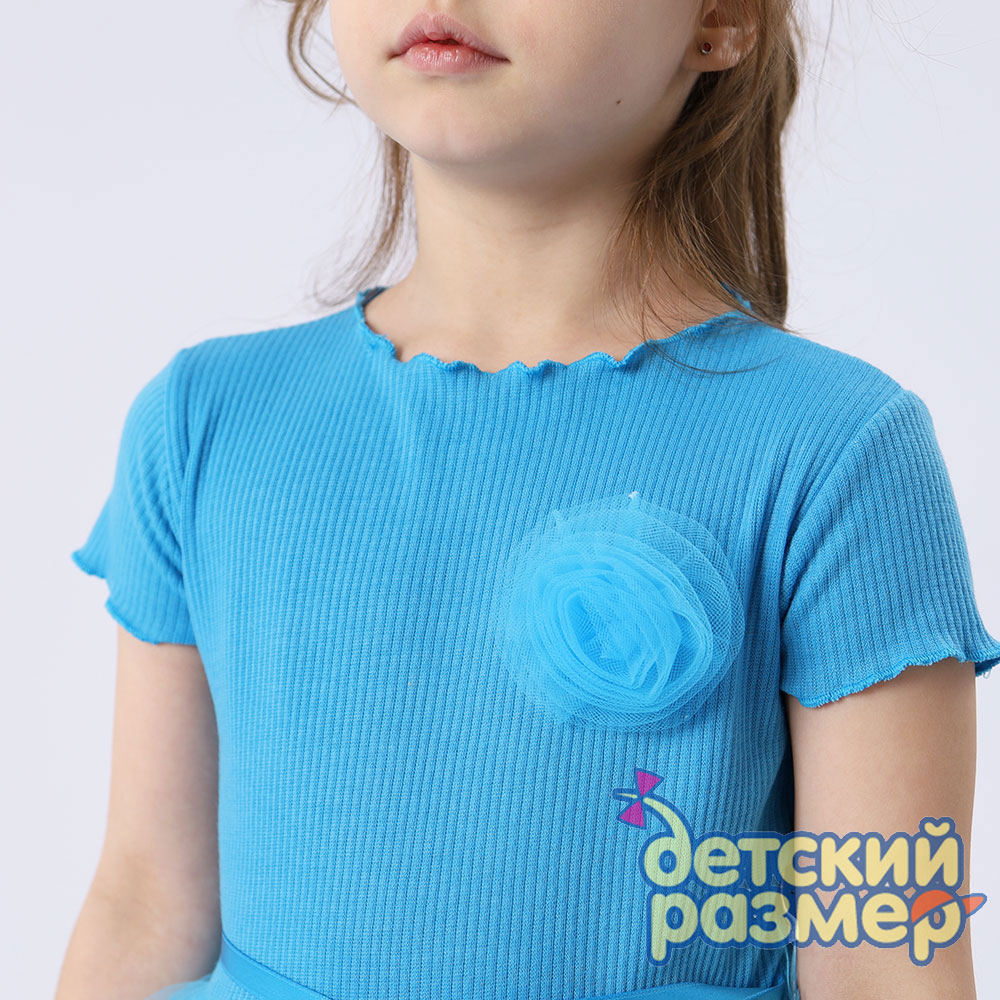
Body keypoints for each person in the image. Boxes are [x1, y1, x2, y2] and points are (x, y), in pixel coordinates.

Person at [57, 2, 999, 999]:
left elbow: (885, 968)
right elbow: (144, 901)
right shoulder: (206, 421)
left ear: (718, 20)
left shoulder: (836, 449)